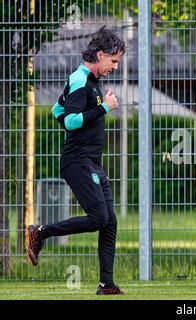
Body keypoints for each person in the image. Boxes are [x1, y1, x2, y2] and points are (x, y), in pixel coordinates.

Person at [25, 26, 126, 295]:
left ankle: (106, 284)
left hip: (91, 162)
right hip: (78, 161)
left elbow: (59, 109)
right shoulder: (81, 80)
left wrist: (93, 113)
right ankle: (40, 232)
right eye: (114, 61)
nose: (115, 67)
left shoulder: (87, 81)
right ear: (101, 54)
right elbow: (69, 120)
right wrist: (104, 108)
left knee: (109, 222)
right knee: (97, 218)